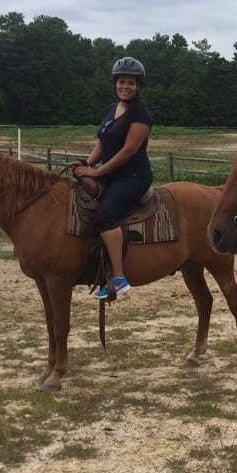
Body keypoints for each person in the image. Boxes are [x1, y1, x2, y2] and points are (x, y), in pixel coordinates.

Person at [73, 56, 153, 299]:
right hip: (112, 175)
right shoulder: (111, 109)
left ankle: (119, 278)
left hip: (133, 177)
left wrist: (96, 172)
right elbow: (103, 140)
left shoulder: (141, 114)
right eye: (121, 81)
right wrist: (87, 163)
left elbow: (128, 151)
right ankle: (98, 268)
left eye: (130, 82)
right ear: (115, 83)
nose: (125, 86)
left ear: (138, 86)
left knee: (106, 215)